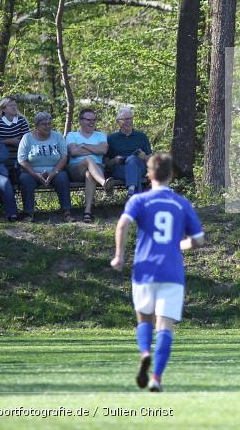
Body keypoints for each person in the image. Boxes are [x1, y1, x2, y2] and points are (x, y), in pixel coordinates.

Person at [110, 153, 205, 392]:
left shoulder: (139, 200)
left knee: (144, 318)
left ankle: (144, 352)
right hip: (171, 271)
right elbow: (198, 240)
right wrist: (180, 245)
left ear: (148, 174)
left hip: (144, 269)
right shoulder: (181, 203)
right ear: (171, 175)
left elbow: (122, 224)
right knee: (165, 325)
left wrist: (119, 256)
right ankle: (156, 378)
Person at [17, 112, 72, 223]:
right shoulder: (27, 138)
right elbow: (22, 160)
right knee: (25, 179)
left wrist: (54, 173)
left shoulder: (57, 136)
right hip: (32, 172)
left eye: (49, 124)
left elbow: (64, 157)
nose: (47, 127)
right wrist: (35, 174)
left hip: (54, 170)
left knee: (62, 177)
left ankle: (67, 213)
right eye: (44, 124)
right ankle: (28, 214)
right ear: (36, 126)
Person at [67, 108, 117, 223]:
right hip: (76, 168)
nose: (92, 122)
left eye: (94, 120)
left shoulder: (100, 135)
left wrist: (83, 146)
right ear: (80, 121)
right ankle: (104, 183)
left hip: (97, 168)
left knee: (90, 174)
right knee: (88, 159)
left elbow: (103, 150)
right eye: (88, 119)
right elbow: (73, 152)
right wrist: (95, 149)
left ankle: (87, 212)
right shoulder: (72, 135)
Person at [107, 108, 152, 197]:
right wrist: (114, 161)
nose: (128, 121)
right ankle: (134, 194)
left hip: (139, 165)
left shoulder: (141, 136)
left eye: (130, 118)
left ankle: (132, 191)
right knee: (135, 172)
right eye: (125, 119)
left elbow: (151, 161)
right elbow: (106, 163)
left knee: (132, 159)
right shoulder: (111, 138)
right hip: (119, 168)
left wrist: (145, 157)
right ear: (118, 122)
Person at [0, 97, 30, 178]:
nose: (14, 107)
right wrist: (9, 141)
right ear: (3, 109)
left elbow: (27, 141)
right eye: (10, 105)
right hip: (1, 157)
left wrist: (19, 143)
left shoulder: (22, 121)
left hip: (19, 156)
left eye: (15, 105)